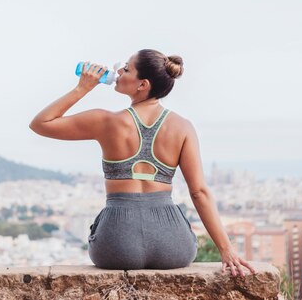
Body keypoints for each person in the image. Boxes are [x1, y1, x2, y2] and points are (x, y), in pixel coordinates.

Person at [29, 49, 255, 276]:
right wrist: (226, 250)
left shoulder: (106, 121)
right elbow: (199, 192)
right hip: (173, 246)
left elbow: (40, 123)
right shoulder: (183, 127)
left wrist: (82, 88)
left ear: (142, 85)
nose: (119, 71)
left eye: (127, 69)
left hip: (116, 245)